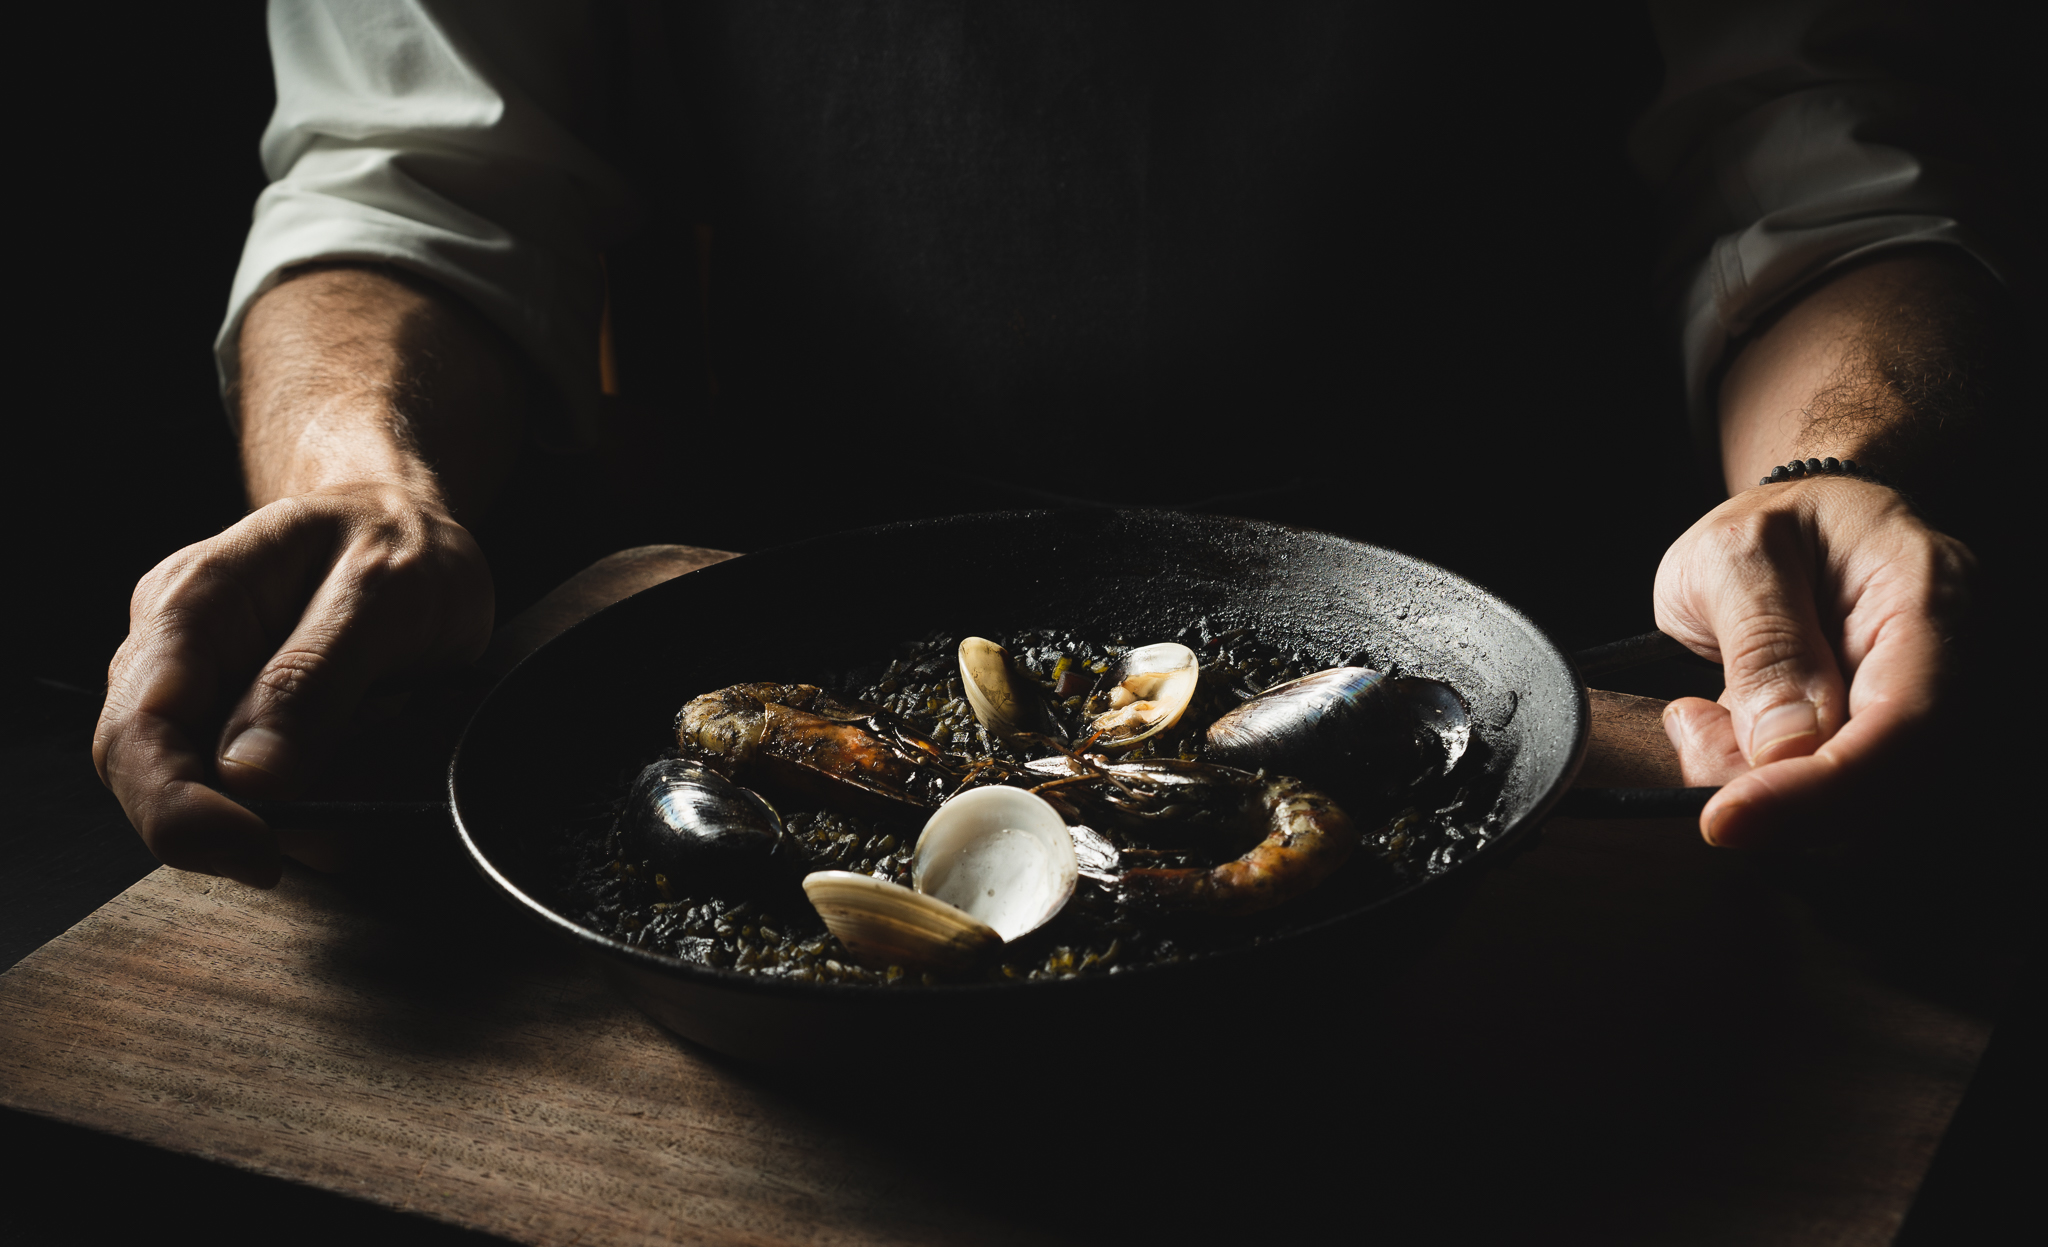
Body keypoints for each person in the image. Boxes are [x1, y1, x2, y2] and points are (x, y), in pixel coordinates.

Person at [93, 0, 2023, 888]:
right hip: (769, 687)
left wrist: (1819, 479)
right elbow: (409, 173)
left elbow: (1829, 163)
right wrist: (366, 477)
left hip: (1573, 749)